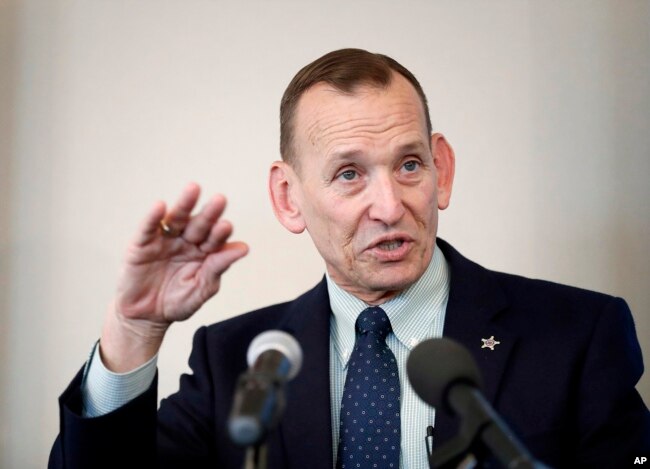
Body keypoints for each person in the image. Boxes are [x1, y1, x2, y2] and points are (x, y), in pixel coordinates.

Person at [49, 48, 649, 469]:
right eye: (348, 174)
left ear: (442, 170)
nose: (389, 206)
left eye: (409, 164)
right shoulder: (236, 361)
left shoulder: (578, 334)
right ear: (289, 197)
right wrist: (133, 331)